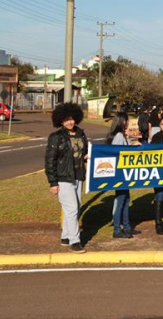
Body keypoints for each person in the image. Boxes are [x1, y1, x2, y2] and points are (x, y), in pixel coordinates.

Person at [45, 103, 89, 253]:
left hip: (78, 176)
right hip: (64, 178)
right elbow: (50, 161)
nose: (69, 122)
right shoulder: (55, 137)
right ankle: (74, 241)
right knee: (72, 209)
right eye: (66, 120)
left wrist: (87, 156)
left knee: (73, 207)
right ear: (60, 121)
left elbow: (84, 151)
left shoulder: (81, 134)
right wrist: (53, 183)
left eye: (71, 119)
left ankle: (65, 237)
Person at [105, 112, 142, 239]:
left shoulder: (121, 135)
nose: (128, 123)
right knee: (120, 201)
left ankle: (126, 227)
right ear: (122, 122)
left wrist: (132, 143)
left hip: (124, 174)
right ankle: (117, 229)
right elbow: (119, 153)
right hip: (120, 174)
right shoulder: (119, 136)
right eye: (126, 121)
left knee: (126, 199)